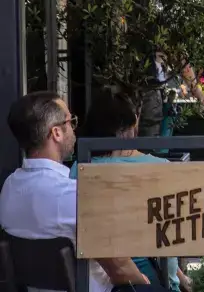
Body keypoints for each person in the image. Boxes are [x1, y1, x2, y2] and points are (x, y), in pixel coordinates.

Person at [0, 91, 159, 292]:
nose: (74, 129)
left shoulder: (9, 188)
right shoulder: (76, 195)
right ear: (56, 133)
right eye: (70, 121)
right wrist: (144, 282)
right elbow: (120, 270)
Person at [69, 91, 190, 292]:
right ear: (132, 125)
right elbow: (171, 239)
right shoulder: (160, 168)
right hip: (145, 283)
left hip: (99, 280)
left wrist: (180, 276)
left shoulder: (79, 169)